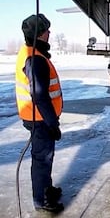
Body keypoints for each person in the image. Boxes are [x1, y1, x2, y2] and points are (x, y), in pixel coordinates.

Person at [15, 14, 64, 213]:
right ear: (39, 34)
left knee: (45, 157)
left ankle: (47, 190)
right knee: (42, 159)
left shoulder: (32, 52)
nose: (49, 32)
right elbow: (40, 95)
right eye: (46, 30)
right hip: (40, 119)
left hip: (38, 117)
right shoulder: (34, 58)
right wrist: (53, 124)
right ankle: (42, 199)